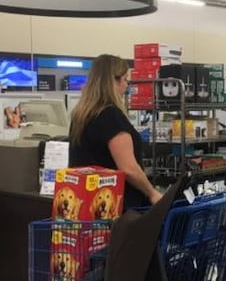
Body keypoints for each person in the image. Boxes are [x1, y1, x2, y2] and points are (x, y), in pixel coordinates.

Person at [69, 54, 162, 209]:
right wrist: (152, 193)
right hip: (117, 205)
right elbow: (129, 168)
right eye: (125, 79)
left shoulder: (80, 115)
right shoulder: (111, 116)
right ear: (113, 81)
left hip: (89, 203)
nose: (127, 85)